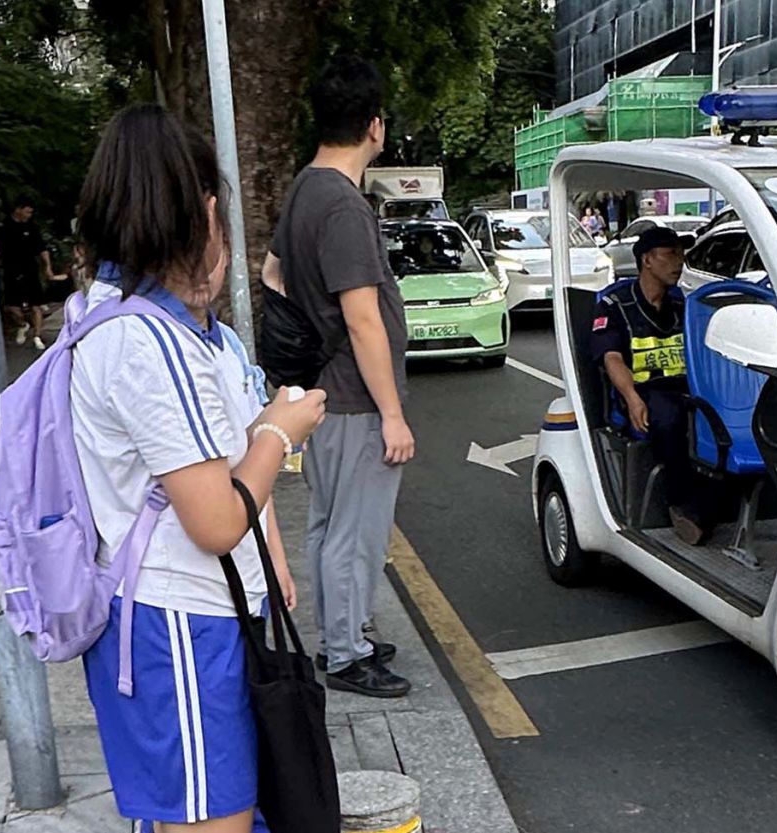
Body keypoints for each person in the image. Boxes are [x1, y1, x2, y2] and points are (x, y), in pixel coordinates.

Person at [72, 104, 327, 832]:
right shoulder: (146, 343)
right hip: (177, 623)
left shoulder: (150, 323)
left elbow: (218, 456)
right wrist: (281, 430)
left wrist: (273, 559)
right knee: (211, 819)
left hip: (189, 617)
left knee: (215, 812)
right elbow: (215, 518)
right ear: (202, 207)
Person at [262, 55, 413, 698]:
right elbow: (364, 320)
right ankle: (348, 655)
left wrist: (308, 334)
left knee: (329, 524)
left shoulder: (304, 187)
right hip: (356, 396)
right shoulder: (345, 207)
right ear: (375, 126)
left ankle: (340, 634)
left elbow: (273, 275)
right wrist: (394, 415)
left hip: (324, 389)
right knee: (356, 533)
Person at [592, 227, 711, 544]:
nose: (679, 262)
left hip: (687, 387)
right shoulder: (615, 305)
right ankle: (681, 505)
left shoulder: (682, 304)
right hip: (645, 392)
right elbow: (612, 358)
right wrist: (631, 398)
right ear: (647, 260)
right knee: (669, 417)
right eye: (670, 254)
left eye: (681, 254)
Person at [0, 196, 57, 350]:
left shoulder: (32, 227)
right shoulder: (3, 226)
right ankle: (23, 324)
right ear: (18, 210)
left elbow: (42, 248)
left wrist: (47, 267)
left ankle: (37, 335)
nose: (29, 215)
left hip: (30, 269)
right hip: (11, 269)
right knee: (11, 306)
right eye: (27, 212)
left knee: (36, 304)